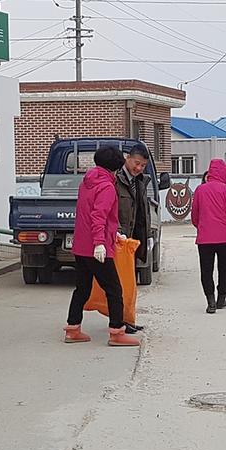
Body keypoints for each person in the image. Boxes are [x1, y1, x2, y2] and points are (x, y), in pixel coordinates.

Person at [64, 146, 140, 347]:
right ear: (116, 165)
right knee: (114, 289)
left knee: (82, 288)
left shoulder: (87, 182)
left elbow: (88, 213)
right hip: (97, 247)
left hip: (81, 245)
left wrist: (111, 232)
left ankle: (73, 328)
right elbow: (98, 216)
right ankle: (117, 332)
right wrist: (100, 242)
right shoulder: (106, 186)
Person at [191, 159, 226, 314]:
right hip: (225, 238)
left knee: (206, 270)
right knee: (224, 268)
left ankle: (210, 301)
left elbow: (195, 214)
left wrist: (201, 227)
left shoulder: (201, 190)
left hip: (205, 238)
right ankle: (221, 298)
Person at [115, 144, 154, 333]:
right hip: (118, 239)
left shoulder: (141, 181)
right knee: (119, 285)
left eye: (143, 166)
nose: (139, 168)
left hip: (133, 240)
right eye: (137, 163)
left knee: (130, 285)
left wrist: (145, 237)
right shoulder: (116, 180)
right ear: (127, 158)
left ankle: (126, 320)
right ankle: (119, 322)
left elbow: (141, 212)